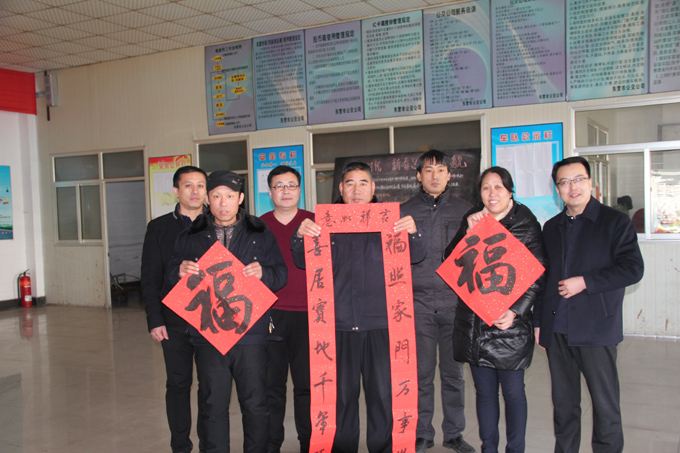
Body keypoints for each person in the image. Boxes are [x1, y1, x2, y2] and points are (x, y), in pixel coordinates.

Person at [291, 161, 427, 453]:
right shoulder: (323, 223)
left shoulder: (392, 220)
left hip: (382, 324)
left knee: (383, 397)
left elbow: (416, 255)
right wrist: (300, 236)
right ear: (340, 188)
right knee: (340, 399)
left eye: (363, 183)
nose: (356, 190)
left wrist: (413, 232)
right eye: (350, 183)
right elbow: (302, 261)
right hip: (337, 326)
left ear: (373, 188)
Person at [166, 170, 287, 453]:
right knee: (212, 404)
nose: (223, 203)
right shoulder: (191, 235)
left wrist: (265, 274)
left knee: (255, 403)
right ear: (208, 199)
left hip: (251, 333)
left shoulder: (260, 233)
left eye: (230, 196)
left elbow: (281, 274)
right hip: (208, 334)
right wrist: (178, 271)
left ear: (240, 198)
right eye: (217, 196)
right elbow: (169, 274)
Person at [534, 156, 644, 453]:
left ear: (591, 182)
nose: (573, 187)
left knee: (605, 405)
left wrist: (585, 282)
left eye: (578, 179)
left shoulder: (614, 221)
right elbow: (545, 277)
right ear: (557, 189)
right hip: (558, 329)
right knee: (564, 405)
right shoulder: (552, 227)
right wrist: (539, 322)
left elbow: (633, 269)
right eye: (564, 182)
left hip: (596, 328)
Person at [444, 167, 548, 453]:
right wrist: (467, 231)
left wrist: (515, 310)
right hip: (476, 324)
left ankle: (515, 449)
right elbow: (450, 260)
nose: (492, 194)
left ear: (510, 191)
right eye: (486, 188)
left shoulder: (525, 222)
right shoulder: (473, 218)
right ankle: (488, 448)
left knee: (513, 393)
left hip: (509, 327)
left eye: (498, 187)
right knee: (484, 393)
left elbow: (539, 272)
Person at [400, 150, 475, 453]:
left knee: (454, 374)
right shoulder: (403, 211)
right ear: (418, 176)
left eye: (440, 170)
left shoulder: (466, 211)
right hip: (416, 305)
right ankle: (422, 433)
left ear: (449, 175)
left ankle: (454, 433)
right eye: (428, 170)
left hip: (454, 304)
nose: (434, 175)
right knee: (421, 375)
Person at [141, 165, 207, 453]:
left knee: (211, 386)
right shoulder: (159, 228)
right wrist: (155, 319)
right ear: (176, 191)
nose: (195, 191)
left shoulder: (220, 223)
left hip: (211, 319)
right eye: (188, 185)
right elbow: (150, 277)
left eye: (200, 185)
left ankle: (210, 443)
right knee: (178, 384)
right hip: (174, 320)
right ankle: (180, 445)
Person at [260, 165, 314, 453]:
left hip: (311, 315)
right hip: (269, 315)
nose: (285, 191)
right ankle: (271, 444)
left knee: (308, 385)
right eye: (279, 186)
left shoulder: (315, 221)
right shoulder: (257, 226)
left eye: (291, 185)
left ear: (299, 189)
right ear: (270, 192)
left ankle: (310, 443)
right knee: (272, 385)